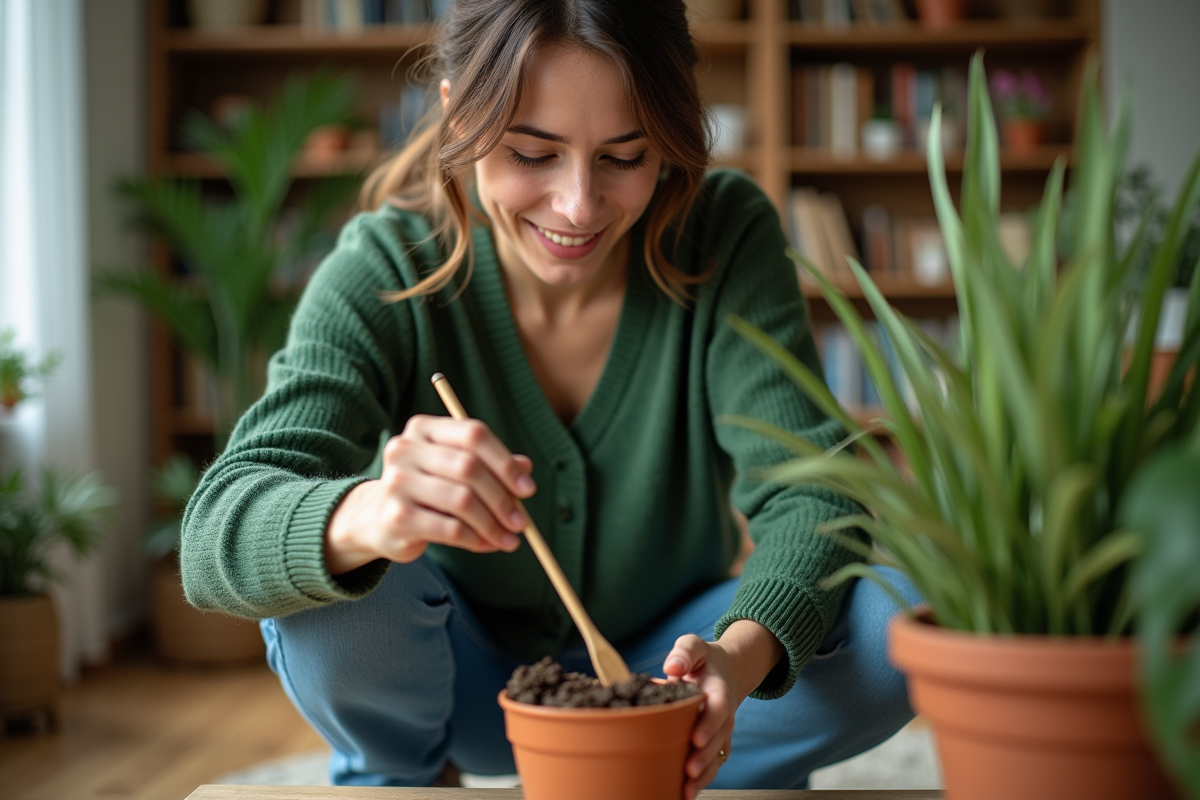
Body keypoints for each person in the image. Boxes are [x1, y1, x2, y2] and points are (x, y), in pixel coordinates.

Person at [180, 1, 921, 795]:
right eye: (532, 153)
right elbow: (214, 534)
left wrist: (735, 662)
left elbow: (813, 495)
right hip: (460, 692)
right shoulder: (387, 267)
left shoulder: (723, 235)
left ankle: (701, 754)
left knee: (900, 626)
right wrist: (374, 513)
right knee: (335, 580)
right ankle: (402, 775)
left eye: (626, 156)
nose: (578, 206)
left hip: (671, 675)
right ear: (455, 112)